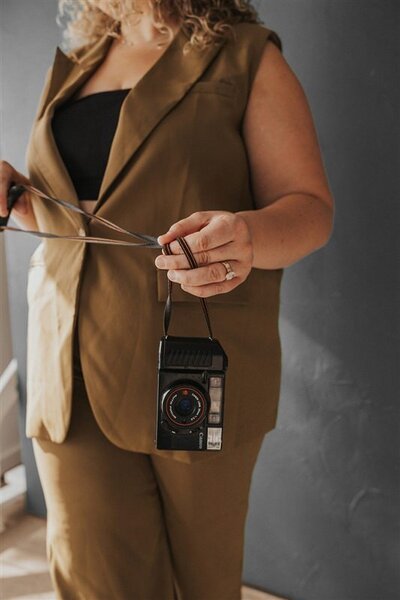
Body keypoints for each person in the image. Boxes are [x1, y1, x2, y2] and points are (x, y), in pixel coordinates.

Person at [0, 1, 335, 598]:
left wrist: (247, 237)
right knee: (91, 578)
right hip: (66, 363)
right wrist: (19, 202)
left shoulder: (246, 56)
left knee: (202, 581)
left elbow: (309, 209)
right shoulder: (76, 66)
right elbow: (79, 216)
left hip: (188, 362)